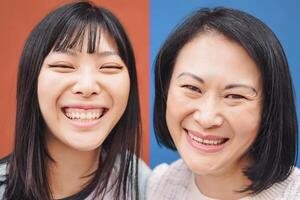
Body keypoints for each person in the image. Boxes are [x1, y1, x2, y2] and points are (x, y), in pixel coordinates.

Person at [0, 1, 150, 200]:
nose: (87, 87)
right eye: (64, 66)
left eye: (108, 67)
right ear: (31, 80)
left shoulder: (141, 184)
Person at [148, 7, 299, 199]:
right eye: (192, 88)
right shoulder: (158, 186)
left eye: (235, 96)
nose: (206, 118)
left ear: (269, 109)